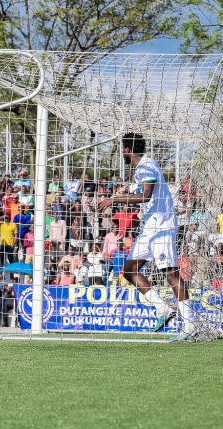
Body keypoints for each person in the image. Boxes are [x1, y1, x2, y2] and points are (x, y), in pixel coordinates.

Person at [97, 133, 194, 342]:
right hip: (150, 226)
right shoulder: (141, 167)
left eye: (122, 148)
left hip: (161, 225)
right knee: (129, 270)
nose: (121, 151)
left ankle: (190, 324)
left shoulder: (146, 165)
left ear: (127, 149)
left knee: (170, 273)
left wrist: (114, 199)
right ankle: (163, 309)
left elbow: (146, 195)